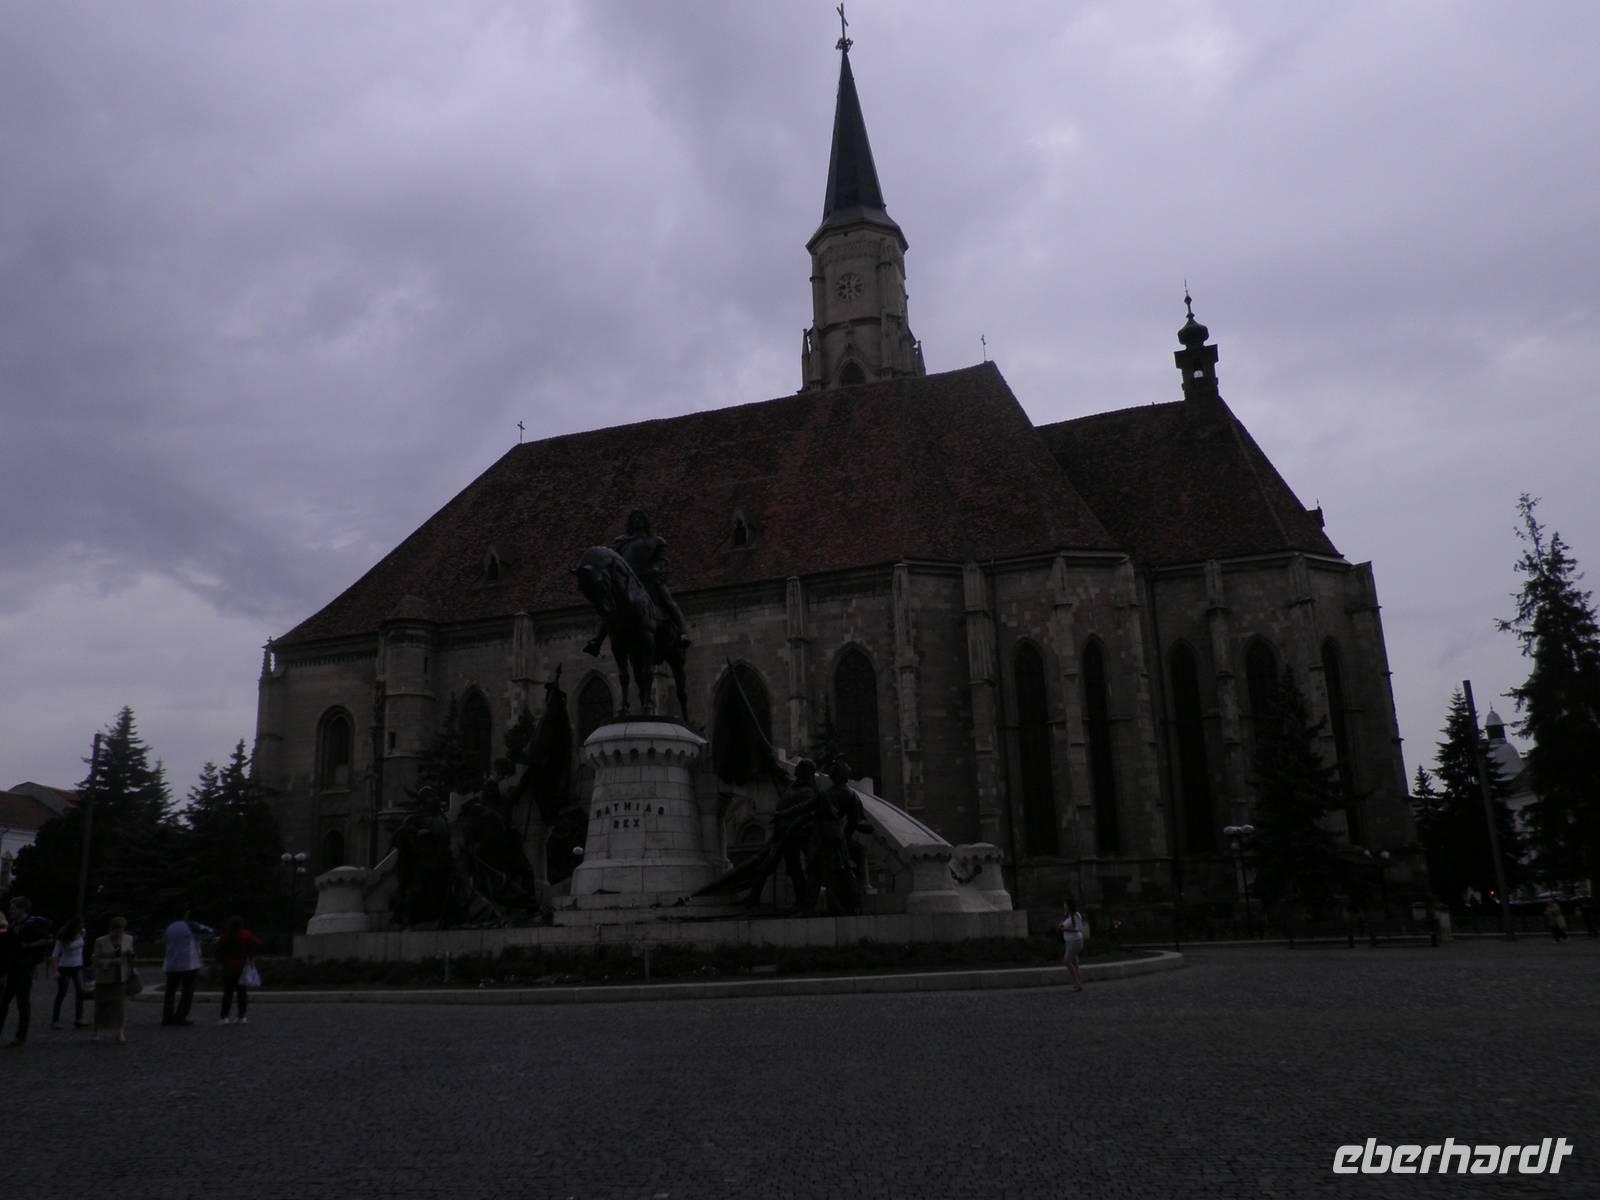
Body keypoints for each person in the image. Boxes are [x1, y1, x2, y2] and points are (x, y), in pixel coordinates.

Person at [585, 510, 692, 653]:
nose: (638, 521)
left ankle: (683, 632)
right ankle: (597, 641)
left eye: (640, 519)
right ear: (630, 522)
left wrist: (655, 568)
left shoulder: (656, 541)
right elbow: (612, 560)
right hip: (628, 582)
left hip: (650, 579)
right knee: (611, 608)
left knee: (669, 601)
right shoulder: (621, 542)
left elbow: (662, 560)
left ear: (645, 521)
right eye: (635, 519)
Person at [1, 896, 55, 1047]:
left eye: (13, 908)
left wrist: (28, 946)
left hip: (24, 968)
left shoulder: (31, 925)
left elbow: (48, 939)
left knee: (22, 1002)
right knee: (3, 1002)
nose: (11, 910)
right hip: (13, 967)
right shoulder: (14, 924)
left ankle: (21, 1036)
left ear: (21, 909)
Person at [161, 906, 212, 1026]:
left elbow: (164, 941)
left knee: (170, 992)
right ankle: (180, 1016)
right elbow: (210, 932)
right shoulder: (190, 925)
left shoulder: (169, 927)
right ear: (186, 914)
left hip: (171, 965)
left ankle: (167, 1017)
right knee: (187, 992)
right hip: (188, 965)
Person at [92, 916, 136, 1044]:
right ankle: (97, 1030)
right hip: (104, 977)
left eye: (121, 930)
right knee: (101, 1005)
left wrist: (131, 955)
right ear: (111, 929)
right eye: (117, 931)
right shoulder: (100, 941)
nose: (119, 934)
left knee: (120, 1005)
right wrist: (111, 962)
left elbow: (131, 958)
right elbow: (96, 960)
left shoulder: (129, 939)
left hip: (121, 977)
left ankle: (120, 1031)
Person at [215, 917, 262, 1025]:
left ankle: (224, 1016)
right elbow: (257, 944)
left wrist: (221, 961)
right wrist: (250, 955)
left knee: (228, 992)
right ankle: (241, 1016)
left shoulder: (226, 936)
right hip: (242, 966)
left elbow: (218, 950)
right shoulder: (245, 935)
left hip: (228, 966)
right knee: (242, 992)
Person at [50, 915, 90, 1029]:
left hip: (78, 966)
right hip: (65, 967)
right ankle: (55, 1020)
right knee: (62, 993)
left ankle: (79, 1018)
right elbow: (54, 956)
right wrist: (56, 971)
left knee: (81, 992)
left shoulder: (82, 932)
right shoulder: (62, 938)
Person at [1058, 895, 1087, 993]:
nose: (1064, 905)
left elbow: (1078, 928)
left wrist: (1064, 929)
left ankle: (1077, 982)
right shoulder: (1067, 915)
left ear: (1069, 905)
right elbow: (1064, 924)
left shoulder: (1076, 915)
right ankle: (1078, 983)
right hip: (1069, 941)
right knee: (1075, 963)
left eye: (1065, 904)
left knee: (1066, 961)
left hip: (1075, 941)